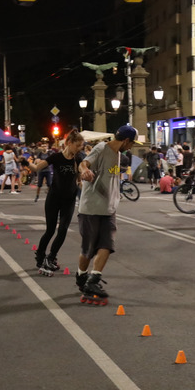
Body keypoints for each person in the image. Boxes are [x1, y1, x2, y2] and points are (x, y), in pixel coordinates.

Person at [74, 125, 139, 300]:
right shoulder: (101, 148)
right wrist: (85, 171)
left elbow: (112, 177)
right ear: (126, 140)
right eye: (132, 143)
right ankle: (81, 276)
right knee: (88, 248)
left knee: (107, 244)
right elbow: (84, 163)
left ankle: (94, 279)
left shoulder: (119, 155)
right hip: (91, 207)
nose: (131, 147)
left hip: (109, 208)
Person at [28, 130, 84, 274]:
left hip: (69, 200)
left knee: (63, 229)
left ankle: (51, 257)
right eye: (77, 145)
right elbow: (36, 168)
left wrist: (83, 183)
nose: (79, 149)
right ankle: (40, 255)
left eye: (81, 146)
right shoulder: (56, 157)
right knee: (50, 230)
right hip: (54, 198)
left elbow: (79, 179)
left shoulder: (78, 159)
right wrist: (24, 161)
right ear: (69, 143)